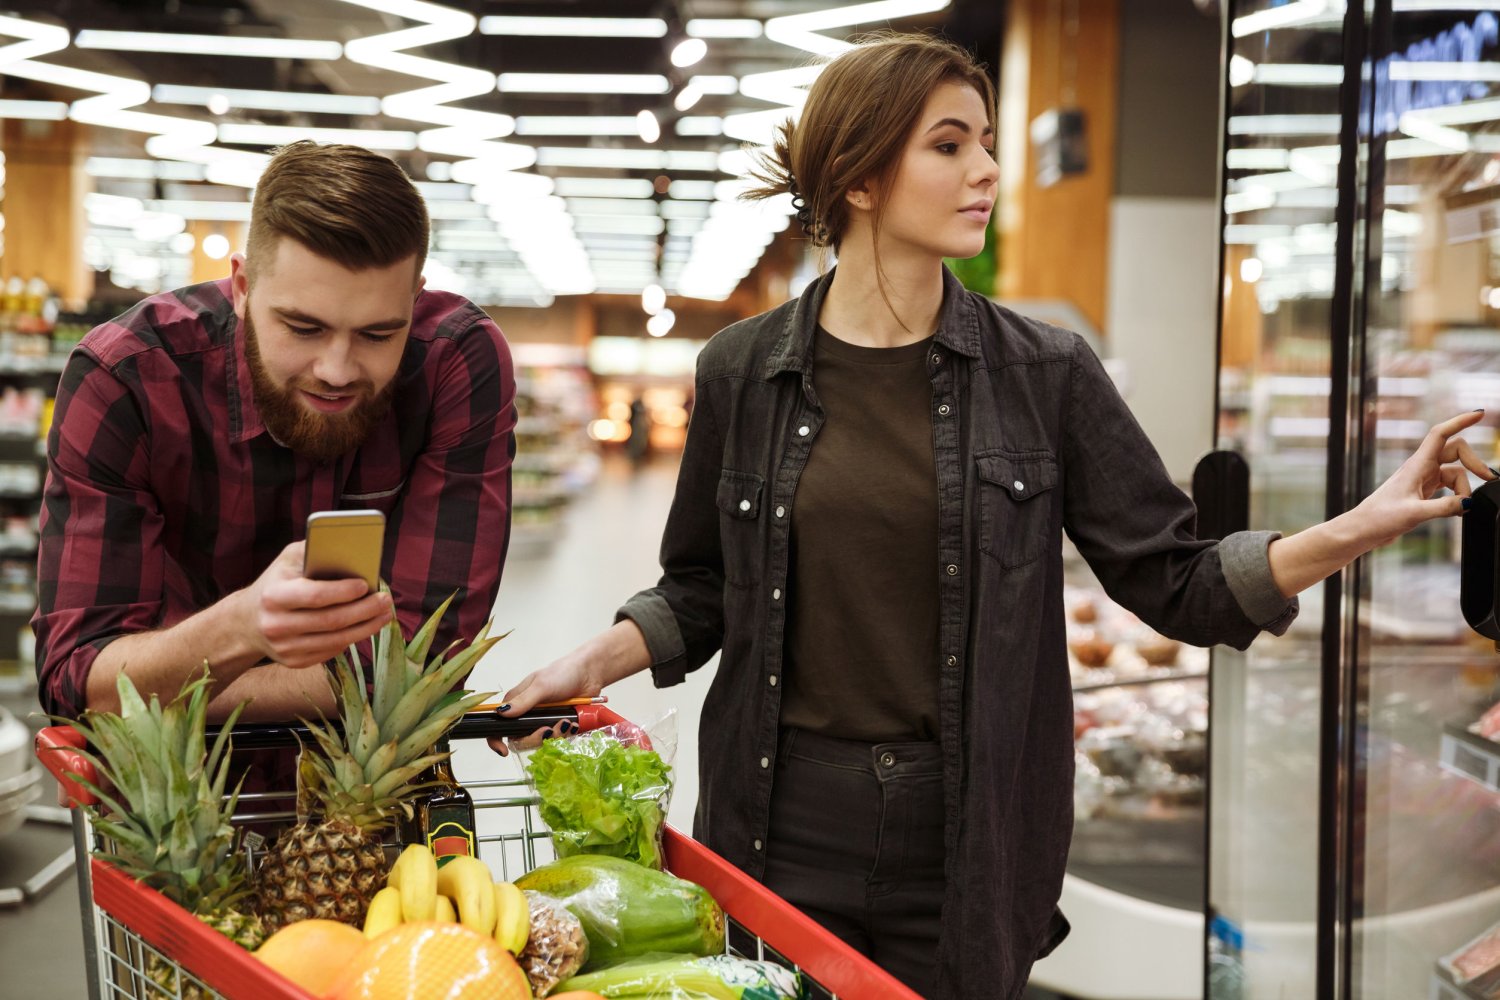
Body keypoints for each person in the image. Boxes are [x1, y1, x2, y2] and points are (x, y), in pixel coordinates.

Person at [491, 34, 1489, 1000]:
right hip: (779, 821)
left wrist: (1363, 520)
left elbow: (1172, 577)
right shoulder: (744, 371)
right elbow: (704, 585)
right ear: (861, 178)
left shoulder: (1042, 373)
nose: (989, 170)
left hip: (966, 835)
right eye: (949, 143)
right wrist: (595, 659)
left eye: (987, 141)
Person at [35, 141, 516, 724]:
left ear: (414, 303)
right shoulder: (128, 378)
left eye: (377, 335)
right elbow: (77, 678)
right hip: (175, 794)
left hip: (374, 793)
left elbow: (426, 661)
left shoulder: (453, 361)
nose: (337, 371)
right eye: (304, 328)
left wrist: (164, 686)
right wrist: (239, 627)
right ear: (241, 287)